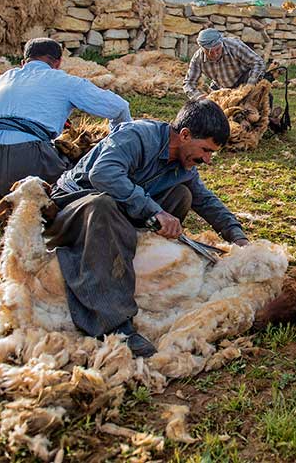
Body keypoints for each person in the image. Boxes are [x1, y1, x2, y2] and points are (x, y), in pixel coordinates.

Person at [47, 99, 250, 357]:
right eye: (205, 150)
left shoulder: (184, 165)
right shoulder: (138, 136)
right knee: (103, 205)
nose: (207, 160)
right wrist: (155, 211)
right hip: (77, 205)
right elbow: (103, 175)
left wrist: (238, 237)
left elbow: (206, 201)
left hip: (117, 211)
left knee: (181, 195)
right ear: (185, 135)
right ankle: (114, 326)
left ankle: (132, 265)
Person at [0, 37, 131, 212]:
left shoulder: (7, 76)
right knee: (74, 171)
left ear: (23, 62)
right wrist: (120, 147)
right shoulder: (66, 82)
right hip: (25, 162)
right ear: (58, 63)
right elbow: (119, 107)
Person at [183, 28, 265, 99]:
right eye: (210, 52)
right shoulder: (198, 58)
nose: (215, 54)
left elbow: (258, 62)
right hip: (221, 87)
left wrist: (249, 86)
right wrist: (198, 97)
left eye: (217, 49)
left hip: (243, 80)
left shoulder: (234, 46)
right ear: (202, 49)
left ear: (221, 43)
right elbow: (188, 83)